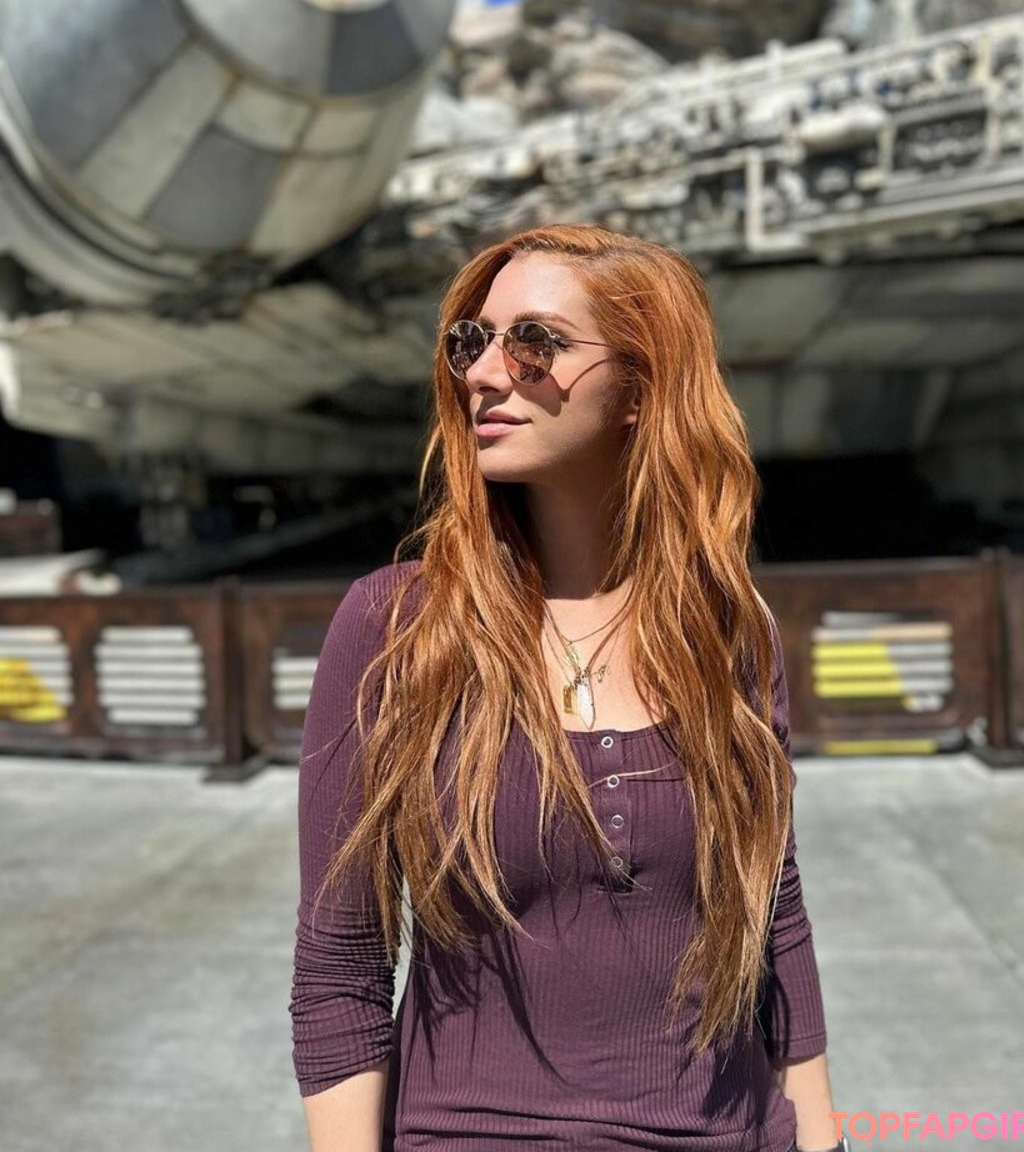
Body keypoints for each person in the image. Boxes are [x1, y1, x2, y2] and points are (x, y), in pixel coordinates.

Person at [289, 224, 845, 1152]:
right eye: (472, 341)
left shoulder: (727, 630)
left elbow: (771, 913)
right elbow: (341, 965)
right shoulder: (396, 629)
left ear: (641, 387)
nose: (483, 372)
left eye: (534, 342)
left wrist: (825, 1140)